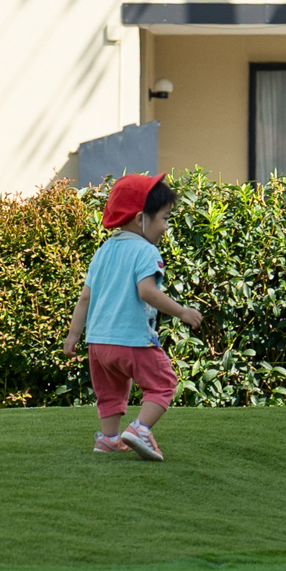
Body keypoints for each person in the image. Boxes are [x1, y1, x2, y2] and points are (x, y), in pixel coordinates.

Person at [66, 173, 203, 461]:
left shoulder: (103, 251)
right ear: (141, 218)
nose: (166, 227)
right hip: (132, 340)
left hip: (99, 344)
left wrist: (73, 336)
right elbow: (147, 292)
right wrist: (181, 311)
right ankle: (140, 429)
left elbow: (85, 298)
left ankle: (108, 439)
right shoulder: (145, 250)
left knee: (111, 392)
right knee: (163, 382)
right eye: (165, 218)